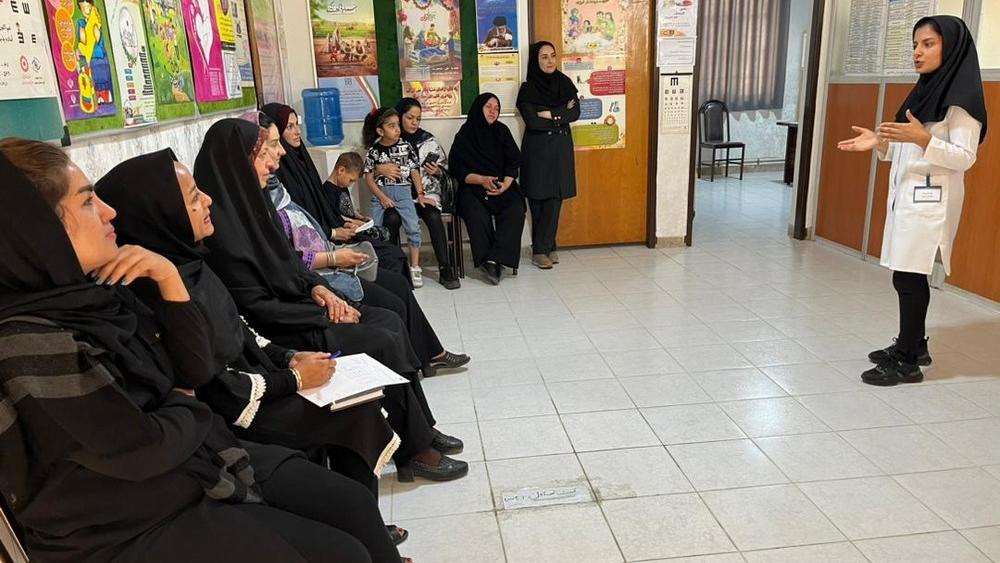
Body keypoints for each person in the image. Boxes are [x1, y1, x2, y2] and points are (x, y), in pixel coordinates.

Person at [0, 138, 407, 562]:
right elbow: (154, 438)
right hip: (127, 521)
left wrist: (169, 278)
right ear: (34, 230)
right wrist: (192, 400)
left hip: (191, 462)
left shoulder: (98, 297)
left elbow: (193, 374)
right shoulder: (31, 344)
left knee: (349, 511)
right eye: (87, 202)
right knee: (342, 551)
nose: (109, 212)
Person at [95, 150, 406, 503]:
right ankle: (364, 505)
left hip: (264, 366)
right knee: (356, 402)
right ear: (160, 212)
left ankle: (368, 500)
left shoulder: (193, 261)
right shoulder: (155, 289)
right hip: (236, 409)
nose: (208, 201)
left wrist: (290, 357)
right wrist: (295, 377)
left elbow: (240, 327)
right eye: (194, 197)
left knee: (363, 386)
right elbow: (212, 379)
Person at [191, 119, 467, 482]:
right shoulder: (220, 230)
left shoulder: (255, 206)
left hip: (304, 307)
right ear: (235, 164)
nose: (274, 161)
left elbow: (292, 264)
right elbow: (255, 308)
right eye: (263, 153)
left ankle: (421, 431)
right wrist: (322, 314)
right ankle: (414, 450)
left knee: (390, 321)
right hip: (286, 330)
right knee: (380, 340)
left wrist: (320, 290)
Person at [247, 111, 470, 375]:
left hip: (327, 256)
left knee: (395, 270)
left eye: (298, 126)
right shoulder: (259, 196)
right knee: (391, 289)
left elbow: (316, 217)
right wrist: (334, 247)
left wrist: (340, 232)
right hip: (320, 272)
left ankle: (428, 355)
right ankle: (417, 360)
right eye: (285, 133)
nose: (283, 149)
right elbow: (284, 260)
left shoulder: (285, 177)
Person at [837, 15, 987, 387]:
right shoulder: (925, 92)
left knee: (908, 275)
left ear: (951, 48)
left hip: (932, 202)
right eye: (915, 45)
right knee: (907, 272)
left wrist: (923, 139)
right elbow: (908, 147)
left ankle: (907, 361)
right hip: (912, 195)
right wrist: (881, 142)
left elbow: (965, 158)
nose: (917, 52)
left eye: (928, 44)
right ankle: (916, 346)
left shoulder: (961, 103)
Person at [261, 103, 412, 281]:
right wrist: (332, 233)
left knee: (393, 254)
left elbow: (322, 207)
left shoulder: (302, 160)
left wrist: (342, 224)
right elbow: (297, 223)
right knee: (390, 260)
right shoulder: (276, 175)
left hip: (329, 233)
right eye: (289, 127)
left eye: (297, 125)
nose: (298, 132)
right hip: (318, 249)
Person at [448, 93, 525, 285]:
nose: (493, 111)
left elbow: (513, 162)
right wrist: (482, 180)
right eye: (488, 107)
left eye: (496, 108)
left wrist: (505, 185)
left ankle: (493, 259)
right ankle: (488, 261)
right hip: (474, 186)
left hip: (501, 185)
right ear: (478, 108)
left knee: (515, 208)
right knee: (474, 211)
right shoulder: (465, 134)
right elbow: (457, 169)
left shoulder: (502, 131)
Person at [517, 41, 580, 270]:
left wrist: (550, 115)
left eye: (552, 55)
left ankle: (543, 248)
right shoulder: (527, 89)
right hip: (537, 150)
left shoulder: (565, 83)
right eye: (544, 57)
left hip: (560, 149)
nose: (550, 61)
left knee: (555, 197)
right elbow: (532, 121)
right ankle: (543, 248)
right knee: (537, 199)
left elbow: (575, 112)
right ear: (536, 61)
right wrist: (561, 115)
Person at [387, 97, 460, 289]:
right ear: (399, 116)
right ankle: (395, 269)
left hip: (425, 195)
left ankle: (445, 267)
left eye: (418, 119)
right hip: (398, 197)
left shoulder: (428, 140)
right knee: (391, 218)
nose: (414, 123)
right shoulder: (389, 140)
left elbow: (446, 171)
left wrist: (438, 171)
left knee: (433, 216)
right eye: (410, 118)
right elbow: (375, 170)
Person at [362, 108, 426, 287]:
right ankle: (377, 267)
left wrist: (420, 193)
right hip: (380, 195)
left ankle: (415, 267)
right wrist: (382, 197)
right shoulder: (374, 151)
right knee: (375, 232)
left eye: (398, 125)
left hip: (404, 194)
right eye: (392, 126)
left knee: (413, 228)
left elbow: (414, 171)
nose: (397, 129)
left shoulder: (406, 146)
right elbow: (368, 178)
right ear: (380, 131)